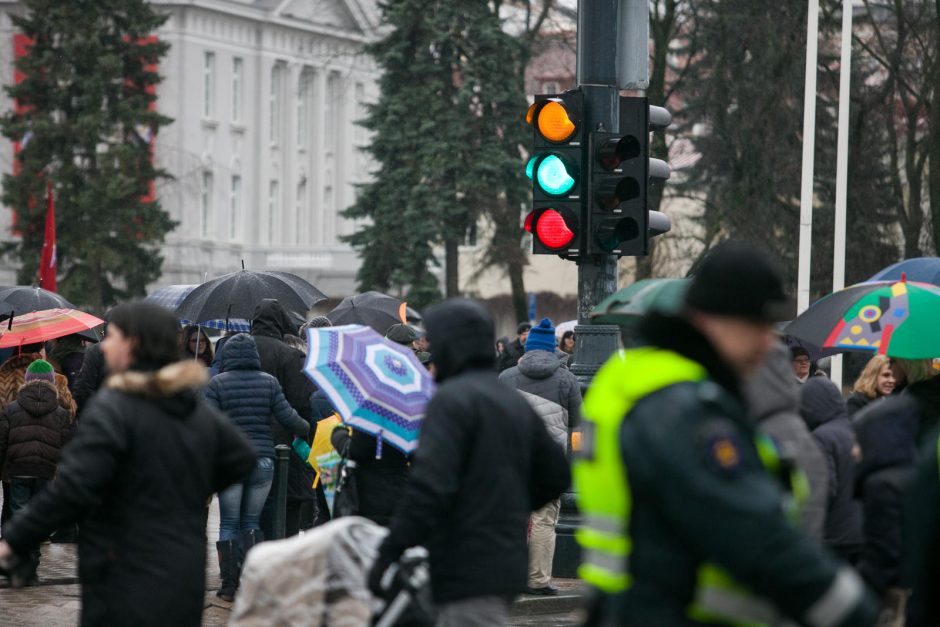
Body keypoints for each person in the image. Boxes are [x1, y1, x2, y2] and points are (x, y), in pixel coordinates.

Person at [575, 241, 877, 626]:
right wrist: (857, 613)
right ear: (707, 320)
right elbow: (759, 536)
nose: (769, 343)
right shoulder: (686, 408)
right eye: (756, 325)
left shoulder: (637, 379)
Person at [0, 302, 255, 626]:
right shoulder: (191, 407)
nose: (104, 345)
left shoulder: (116, 408)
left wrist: (15, 539)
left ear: (133, 343)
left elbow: (74, 487)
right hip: (181, 571)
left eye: (113, 336)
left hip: (121, 568)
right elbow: (240, 458)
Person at [368, 299, 570, 625]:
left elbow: (429, 487)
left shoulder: (450, 400)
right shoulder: (509, 400)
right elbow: (556, 475)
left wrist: (390, 551)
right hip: (504, 559)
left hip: (463, 559)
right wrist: (509, 505)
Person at [204, 333, 310, 601]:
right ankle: (253, 581)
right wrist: (305, 429)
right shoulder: (269, 382)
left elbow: (206, 421)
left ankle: (229, 585)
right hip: (263, 459)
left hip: (229, 461)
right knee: (251, 521)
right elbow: (290, 418)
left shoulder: (217, 384)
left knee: (229, 522)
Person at [499, 317, 581, 596]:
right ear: (552, 348)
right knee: (544, 520)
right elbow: (578, 423)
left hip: (512, 460)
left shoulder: (506, 378)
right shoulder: (567, 379)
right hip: (549, 461)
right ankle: (538, 580)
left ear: (528, 347)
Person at [744, 343, 829, 542]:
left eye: (806, 361)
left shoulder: (778, 433)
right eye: (800, 361)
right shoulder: (783, 423)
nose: (804, 365)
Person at [0, 359, 72, 583]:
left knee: (19, 512)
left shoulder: (11, 409)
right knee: (38, 516)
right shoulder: (60, 412)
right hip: (46, 471)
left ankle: (22, 558)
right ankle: (34, 557)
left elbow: (2, 442)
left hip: (19, 470)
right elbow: (67, 443)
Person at [251, 299, 316, 538]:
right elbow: (301, 402)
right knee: (286, 507)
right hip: (284, 444)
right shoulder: (288, 356)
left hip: (244, 441)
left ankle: (239, 567)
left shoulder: (236, 349)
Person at [799, 378, 863, 563]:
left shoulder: (821, 437)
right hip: (863, 530)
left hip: (836, 534)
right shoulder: (857, 429)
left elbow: (825, 487)